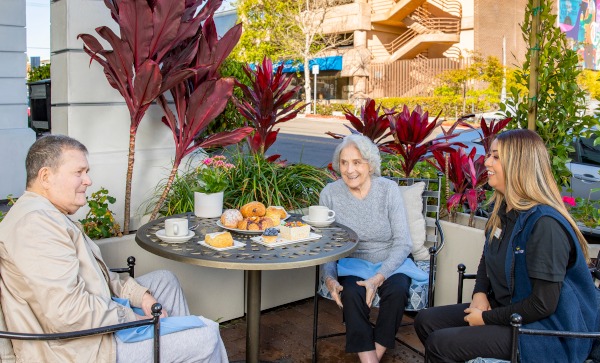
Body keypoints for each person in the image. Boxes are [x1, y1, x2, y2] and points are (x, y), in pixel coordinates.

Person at [0, 135, 228, 362]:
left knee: (164, 281)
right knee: (206, 334)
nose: (88, 180)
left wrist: (142, 297)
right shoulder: (35, 226)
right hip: (79, 349)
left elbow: (99, 277)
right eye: (78, 172)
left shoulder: (47, 213)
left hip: (89, 325)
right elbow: (67, 313)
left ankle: (176, 349)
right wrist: (132, 317)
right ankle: (185, 344)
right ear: (46, 177)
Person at [414, 129, 598, 362]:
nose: (487, 161)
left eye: (496, 157)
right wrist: (480, 292)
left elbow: (542, 305)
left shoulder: (545, 225)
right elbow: (487, 257)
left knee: (441, 344)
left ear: (519, 165)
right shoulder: (505, 211)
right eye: (490, 155)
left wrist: (486, 319)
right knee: (426, 321)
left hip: (544, 334)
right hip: (511, 312)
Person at [319, 134, 415, 363]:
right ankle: (369, 360)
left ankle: (373, 358)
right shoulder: (330, 194)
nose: (349, 169)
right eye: (344, 162)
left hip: (391, 258)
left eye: (357, 162)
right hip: (352, 262)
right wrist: (330, 279)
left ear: (370, 165)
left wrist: (380, 277)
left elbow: (403, 242)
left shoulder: (388, 190)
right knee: (350, 293)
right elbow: (327, 245)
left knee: (397, 290)